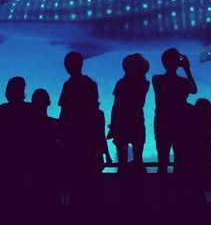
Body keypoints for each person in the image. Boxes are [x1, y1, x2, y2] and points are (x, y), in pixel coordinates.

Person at [58, 51, 105, 208]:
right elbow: (95, 113)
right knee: (91, 183)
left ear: (67, 67)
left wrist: (60, 134)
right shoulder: (91, 84)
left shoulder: (68, 85)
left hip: (72, 139)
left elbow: (64, 113)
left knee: (74, 180)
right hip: (89, 138)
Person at [151, 47, 197, 174]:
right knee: (179, 158)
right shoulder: (184, 82)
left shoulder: (156, 79)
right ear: (179, 63)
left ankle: (162, 190)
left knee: (162, 159)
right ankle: (178, 190)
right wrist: (187, 69)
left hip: (161, 121)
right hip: (179, 122)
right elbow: (194, 90)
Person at [108, 53, 150, 171]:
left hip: (122, 123)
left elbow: (116, 106)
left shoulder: (121, 84)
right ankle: (139, 182)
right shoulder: (145, 84)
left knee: (122, 160)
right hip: (137, 121)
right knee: (138, 158)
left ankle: (122, 182)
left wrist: (112, 126)